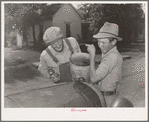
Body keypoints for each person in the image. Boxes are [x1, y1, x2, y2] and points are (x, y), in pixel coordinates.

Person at [86, 22, 123, 107]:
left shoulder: (111, 57)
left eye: (103, 42)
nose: (100, 45)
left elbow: (94, 79)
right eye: (99, 42)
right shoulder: (110, 54)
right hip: (106, 95)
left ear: (113, 41)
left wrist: (92, 56)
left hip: (108, 99)